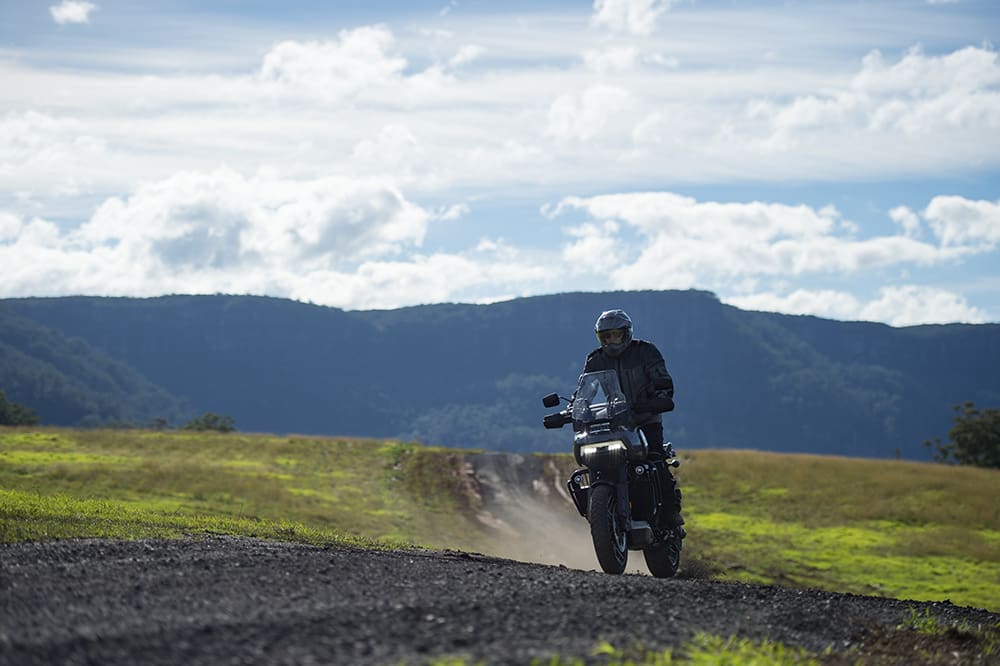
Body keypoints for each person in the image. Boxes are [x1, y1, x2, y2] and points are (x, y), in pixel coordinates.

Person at [582, 309, 684, 530]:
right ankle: (601, 514)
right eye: (606, 336)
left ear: (626, 333)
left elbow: (663, 382)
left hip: (645, 419)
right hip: (613, 422)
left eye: (616, 335)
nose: (611, 340)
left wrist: (659, 399)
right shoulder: (596, 359)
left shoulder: (645, 352)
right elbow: (585, 389)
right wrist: (573, 408)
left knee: (655, 459)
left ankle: (670, 512)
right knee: (595, 462)